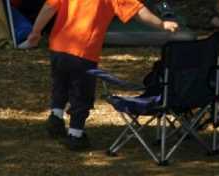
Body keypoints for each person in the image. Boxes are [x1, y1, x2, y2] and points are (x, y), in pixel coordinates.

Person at [26, 0, 179, 150]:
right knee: (82, 93)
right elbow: (137, 11)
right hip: (84, 50)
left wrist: (36, 31)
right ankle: (75, 134)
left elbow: (49, 7)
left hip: (58, 46)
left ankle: (56, 116)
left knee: (60, 83)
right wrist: (161, 24)